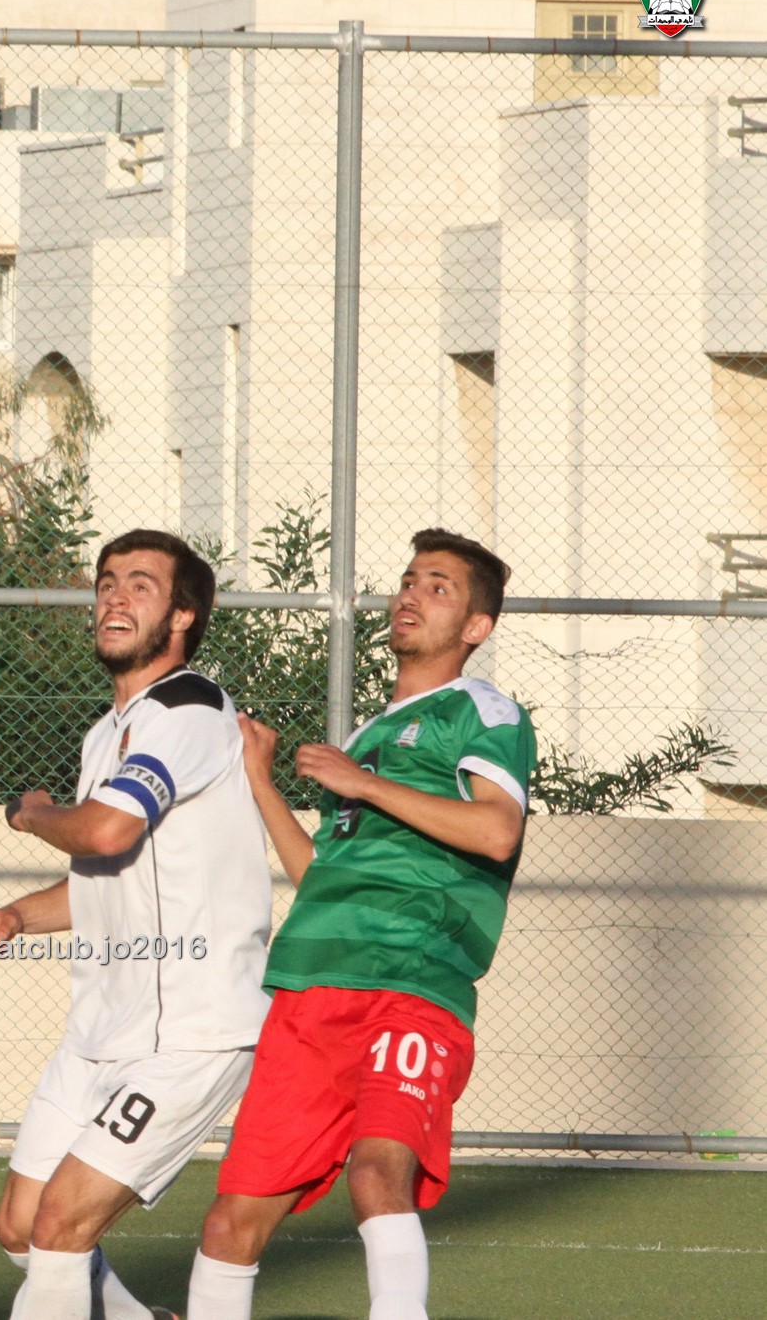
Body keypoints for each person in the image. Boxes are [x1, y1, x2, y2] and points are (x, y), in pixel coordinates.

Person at [187, 529, 537, 1320]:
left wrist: (363, 785)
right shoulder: (366, 738)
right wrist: (261, 782)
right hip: (310, 993)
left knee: (377, 1174)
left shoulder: (482, 710)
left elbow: (496, 830)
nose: (411, 594)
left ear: (477, 626)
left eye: (439, 586)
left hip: (410, 984)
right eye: (409, 579)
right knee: (230, 1220)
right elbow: (322, 876)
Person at [0, 529, 273, 1320]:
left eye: (141, 585)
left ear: (183, 615)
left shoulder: (188, 707)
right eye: (107, 581)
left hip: (190, 1033)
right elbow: (108, 877)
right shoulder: (105, 732)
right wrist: (19, 915)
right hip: (101, 1031)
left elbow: (104, 831)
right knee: (20, 1227)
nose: (114, 596)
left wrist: (33, 814)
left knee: (62, 1223)